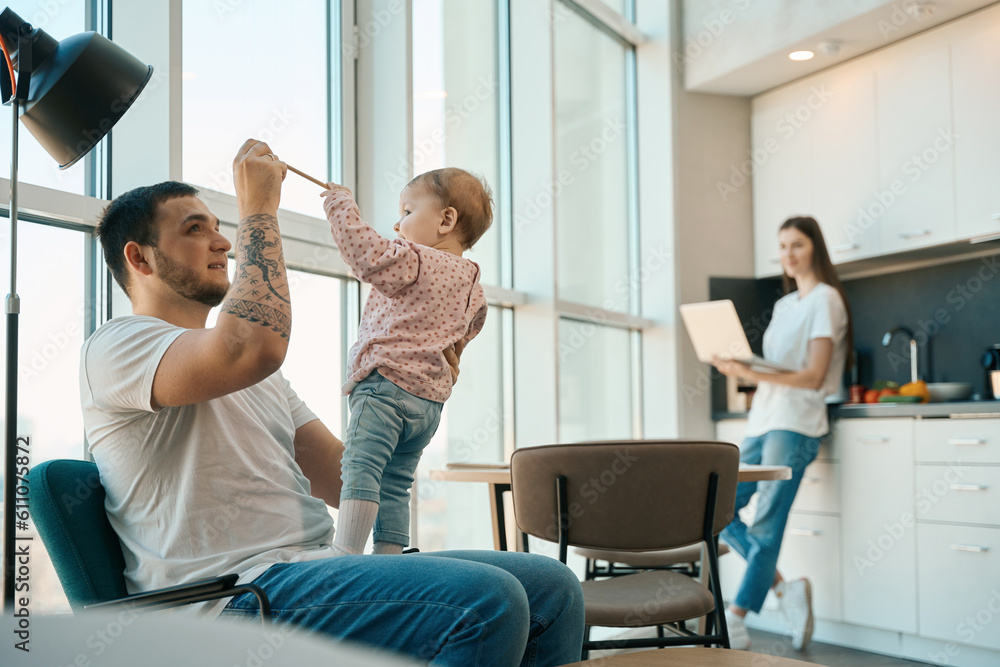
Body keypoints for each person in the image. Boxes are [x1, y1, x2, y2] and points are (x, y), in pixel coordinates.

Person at [80, 139, 585, 666]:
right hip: (232, 598)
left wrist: (412, 390)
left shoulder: (256, 377)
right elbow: (251, 346)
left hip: (313, 573)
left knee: (552, 586)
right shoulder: (117, 347)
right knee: (487, 601)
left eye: (219, 226)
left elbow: (347, 476)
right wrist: (258, 211)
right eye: (194, 229)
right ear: (139, 257)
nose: (223, 242)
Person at [321, 168, 491, 556]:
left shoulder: (416, 259)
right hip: (428, 405)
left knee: (361, 466)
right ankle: (390, 559)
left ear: (446, 220)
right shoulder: (473, 285)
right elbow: (468, 332)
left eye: (408, 211)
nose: (398, 225)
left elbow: (365, 254)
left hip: (385, 386)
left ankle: (346, 551)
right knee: (396, 483)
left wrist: (340, 205)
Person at [712, 216, 852, 652]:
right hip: (764, 419)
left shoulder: (826, 299)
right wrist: (740, 368)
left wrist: (755, 373)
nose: (788, 254)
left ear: (815, 249)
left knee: (768, 521)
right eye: (782, 246)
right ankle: (783, 588)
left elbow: (813, 376)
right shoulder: (787, 305)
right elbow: (779, 370)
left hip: (796, 423)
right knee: (717, 511)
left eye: (797, 245)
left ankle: (736, 618)